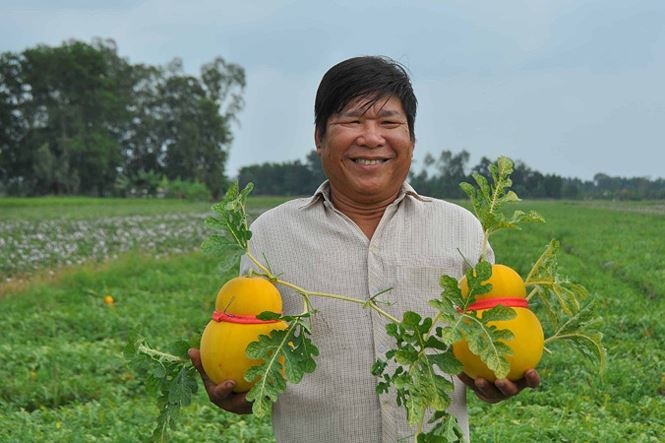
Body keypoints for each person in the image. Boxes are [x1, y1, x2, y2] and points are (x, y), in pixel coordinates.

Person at [188, 55, 540, 442]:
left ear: (412, 139)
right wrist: (239, 385)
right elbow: (247, 350)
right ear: (320, 136)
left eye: (389, 123)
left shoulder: (462, 230)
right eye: (352, 121)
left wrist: (490, 373)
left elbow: (485, 343)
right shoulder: (270, 236)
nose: (371, 138)